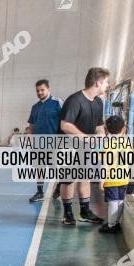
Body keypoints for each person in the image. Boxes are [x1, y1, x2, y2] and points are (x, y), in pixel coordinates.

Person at [59, 68, 109, 225]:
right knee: (68, 180)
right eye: (106, 82)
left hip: (86, 148)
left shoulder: (98, 102)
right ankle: (68, 214)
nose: (107, 85)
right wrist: (86, 138)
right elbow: (65, 125)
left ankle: (85, 211)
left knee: (85, 177)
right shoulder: (75, 100)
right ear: (97, 83)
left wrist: (100, 136)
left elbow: (99, 126)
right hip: (69, 146)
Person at [26, 79, 64, 203]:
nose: (40, 92)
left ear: (48, 89)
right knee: (39, 168)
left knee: (55, 168)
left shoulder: (57, 103)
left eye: (42, 90)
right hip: (38, 144)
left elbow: (66, 122)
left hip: (54, 143)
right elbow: (31, 126)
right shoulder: (35, 107)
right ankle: (40, 191)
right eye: (37, 91)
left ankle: (59, 185)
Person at [99, 115, 128, 234]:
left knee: (112, 201)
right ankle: (116, 222)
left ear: (106, 129)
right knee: (120, 200)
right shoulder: (126, 142)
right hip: (124, 178)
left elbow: (105, 164)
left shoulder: (106, 145)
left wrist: (102, 181)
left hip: (111, 179)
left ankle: (111, 225)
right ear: (123, 129)